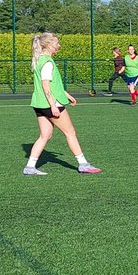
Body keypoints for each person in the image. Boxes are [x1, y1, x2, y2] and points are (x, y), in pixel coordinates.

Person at [24, 33, 101, 175]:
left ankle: (30, 167)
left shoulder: (39, 60)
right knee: (70, 132)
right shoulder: (47, 62)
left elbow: (53, 85)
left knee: (45, 135)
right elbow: (45, 86)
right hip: (50, 104)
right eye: (56, 43)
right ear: (48, 45)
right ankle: (83, 164)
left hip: (39, 104)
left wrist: (66, 95)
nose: (58, 45)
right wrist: (53, 105)